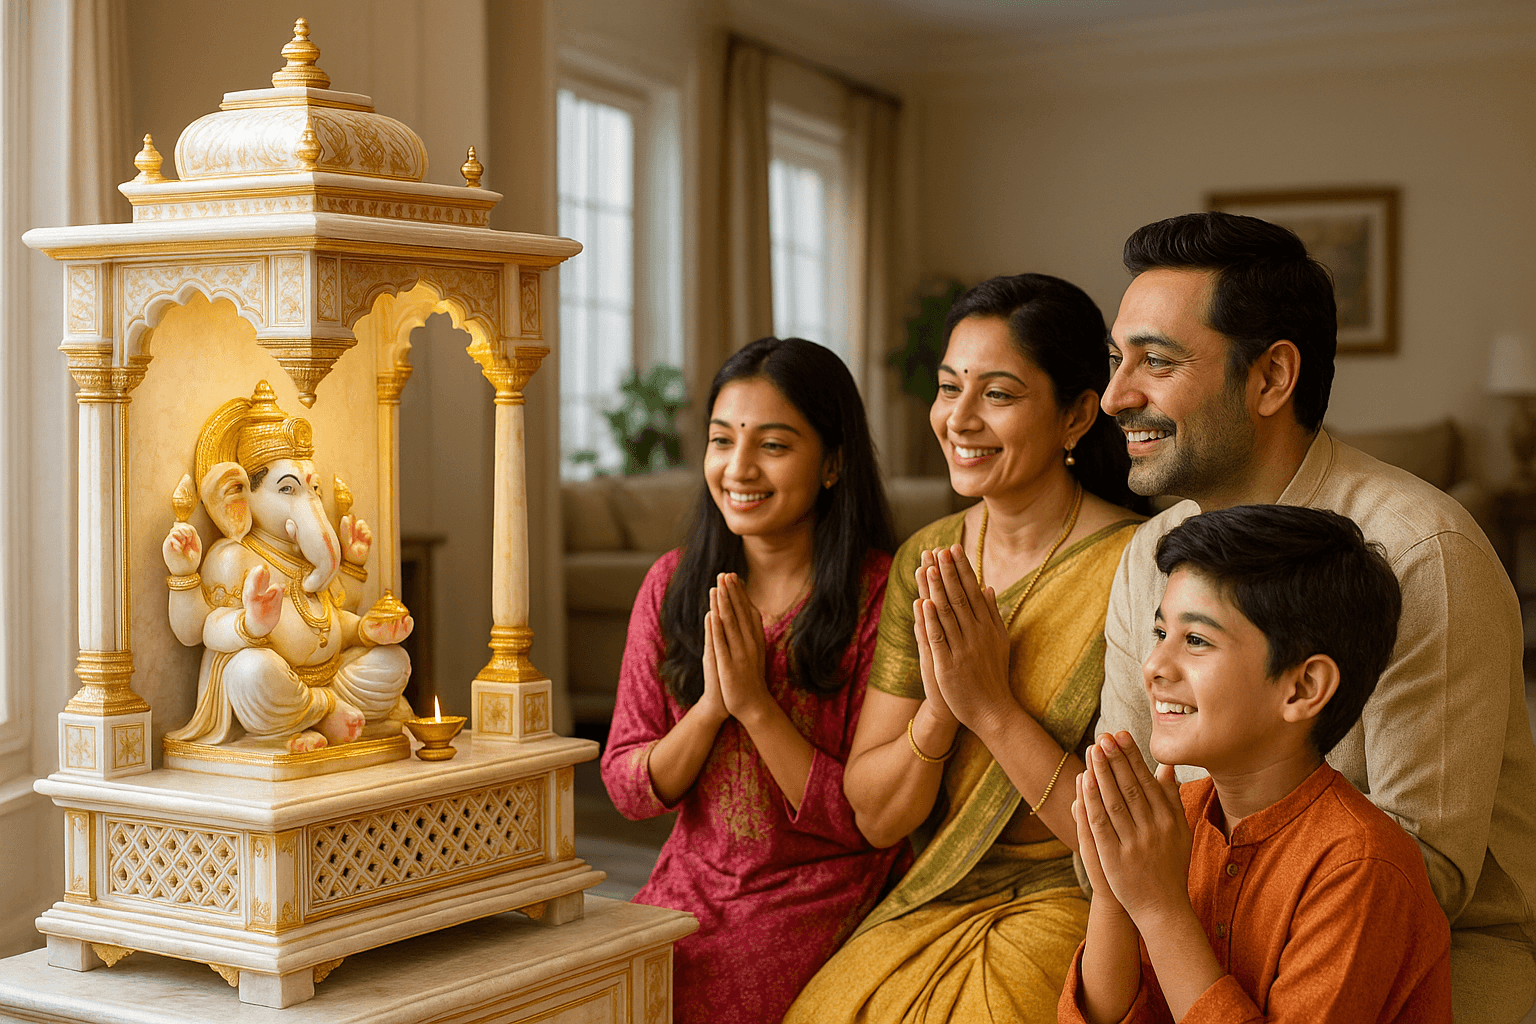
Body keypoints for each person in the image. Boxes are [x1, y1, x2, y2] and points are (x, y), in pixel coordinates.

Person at [1096, 211, 1536, 1022]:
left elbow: (1424, 873)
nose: (1117, 396)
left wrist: (1174, 916)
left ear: (1270, 378)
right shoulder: (1148, 554)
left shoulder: (1416, 550)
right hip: (1197, 928)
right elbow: (1122, 812)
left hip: (1426, 951)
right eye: (1115, 361)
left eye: (1154, 361)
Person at [786, 274, 1144, 1023]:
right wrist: (943, 712)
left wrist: (991, 706)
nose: (960, 419)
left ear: (1077, 415)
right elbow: (877, 816)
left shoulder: (1141, 566)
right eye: (950, 388)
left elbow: (1135, 837)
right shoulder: (928, 559)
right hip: (937, 887)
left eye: (999, 394)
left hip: (1078, 899)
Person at [599, 337, 903, 1024]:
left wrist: (757, 707)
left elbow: (864, 823)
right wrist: (711, 709)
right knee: (598, 994)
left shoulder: (881, 598)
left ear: (831, 463)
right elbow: (627, 786)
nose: (738, 468)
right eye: (722, 440)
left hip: (818, 893)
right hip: (690, 882)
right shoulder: (672, 585)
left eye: (773, 445)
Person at [1060, 504, 1451, 1024]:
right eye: (1160, 634)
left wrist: (1158, 907)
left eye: (1196, 640)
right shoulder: (1177, 822)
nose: (1153, 666)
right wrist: (1115, 892)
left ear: (1303, 687)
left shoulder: (1361, 870)